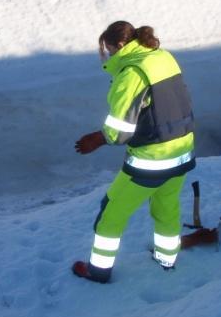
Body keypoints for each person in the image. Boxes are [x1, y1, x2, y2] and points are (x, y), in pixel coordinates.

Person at [72, 21, 196, 283]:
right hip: (182, 149)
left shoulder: (131, 74)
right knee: (167, 207)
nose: (108, 55)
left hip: (152, 160)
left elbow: (119, 131)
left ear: (120, 46)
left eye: (108, 50)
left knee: (111, 214)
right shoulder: (162, 57)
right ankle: (166, 259)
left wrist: (97, 138)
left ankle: (98, 271)